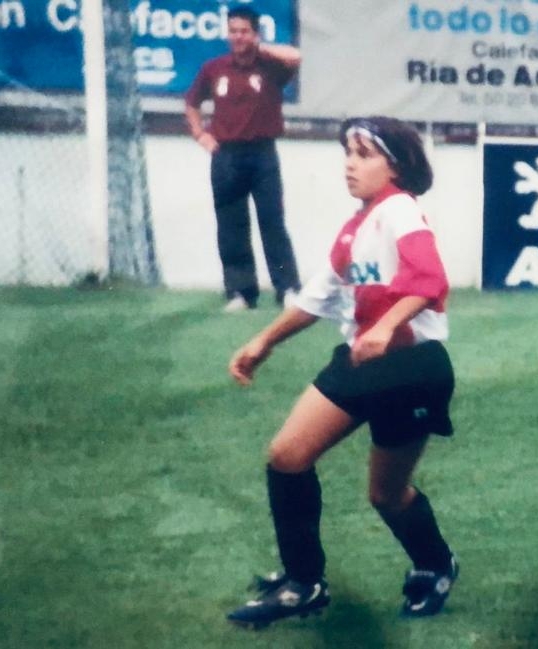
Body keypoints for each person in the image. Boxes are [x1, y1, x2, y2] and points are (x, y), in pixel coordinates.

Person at [224, 116, 459, 629]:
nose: (349, 164)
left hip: (411, 368)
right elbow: (318, 297)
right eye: (346, 153)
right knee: (288, 455)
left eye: (363, 154)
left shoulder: (399, 210)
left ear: (394, 165)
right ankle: (303, 583)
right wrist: (263, 341)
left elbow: (430, 278)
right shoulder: (357, 226)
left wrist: (386, 326)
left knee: (386, 495)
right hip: (366, 363)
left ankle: (435, 566)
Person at [185, 5, 301, 313]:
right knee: (231, 225)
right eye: (233, 31)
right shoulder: (214, 68)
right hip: (226, 155)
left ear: (255, 34)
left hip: (263, 154)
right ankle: (240, 293)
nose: (238, 37)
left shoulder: (271, 67)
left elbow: (295, 57)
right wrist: (201, 135)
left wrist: (259, 48)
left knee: (272, 222)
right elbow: (192, 103)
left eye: (244, 31)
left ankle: (287, 288)